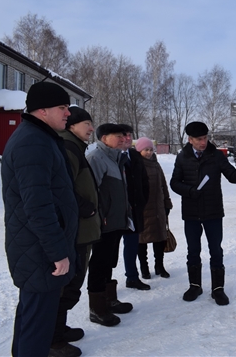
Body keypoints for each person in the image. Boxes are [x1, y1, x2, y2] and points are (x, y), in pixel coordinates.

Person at [1, 81, 78, 357]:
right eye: (62, 108)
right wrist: (58, 252)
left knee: (31, 315)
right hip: (40, 250)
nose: (68, 114)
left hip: (36, 248)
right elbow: (38, 206)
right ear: (42, 110)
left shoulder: (39, 137)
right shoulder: (32, 142)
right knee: (37, 324)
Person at [170, 121, 236, 306]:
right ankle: (195, 286)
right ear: (190, 139)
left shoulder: (216, 156)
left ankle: (218, 289)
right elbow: (174, 183)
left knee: (216, 251)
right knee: (193, 251)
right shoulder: (182, 157)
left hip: (213, 212)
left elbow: (233, 177)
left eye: (205, 138)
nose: (203, 142)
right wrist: (190, 191)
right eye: (199, 139)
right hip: (191, 213)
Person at [50, 107, 101, 357]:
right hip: (77, 230)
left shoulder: (75, 146)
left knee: (72, 282)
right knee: (68, 285)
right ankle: (54, 340)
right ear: (72, 125)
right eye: (87, 124)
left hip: (81, 229)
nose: (91, 128)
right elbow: (62, 187)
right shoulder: (69, 148)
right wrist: (86, 208)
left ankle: (59, 329)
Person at [86, 123, 133, 327]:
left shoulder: (115, 158)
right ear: (104, 138)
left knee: (109, 262)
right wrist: (100, 216)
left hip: (116, 221)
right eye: (118, 136)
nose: (123, 139)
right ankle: (97, 309)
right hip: (104, 223)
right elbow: (91, 191)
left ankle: (109, 300)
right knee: (99, 263)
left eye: (124, 136)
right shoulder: (96, 157)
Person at [134, 137, 173, 279]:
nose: (149, 152)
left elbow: (163, 184)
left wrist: (167, 202)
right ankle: (144, 268)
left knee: (159, 238)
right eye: (146, 150)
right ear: (139, 150)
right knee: (142, 240)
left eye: (151, 149)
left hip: (158, 208)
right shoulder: (136, 165)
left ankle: (159, 266)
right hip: (143, 209)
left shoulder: (156, 165)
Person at [118, 125, 150, 290]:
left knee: (132, 245)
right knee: (109, 252)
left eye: (130, 135)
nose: (128, 138)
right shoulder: (109, 156)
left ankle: (132, 277)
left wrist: (142, 201)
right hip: (115, 212)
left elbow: (144, 181)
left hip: (134, 209)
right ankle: (105, 285)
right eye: (124, 135)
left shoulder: (134, 156)